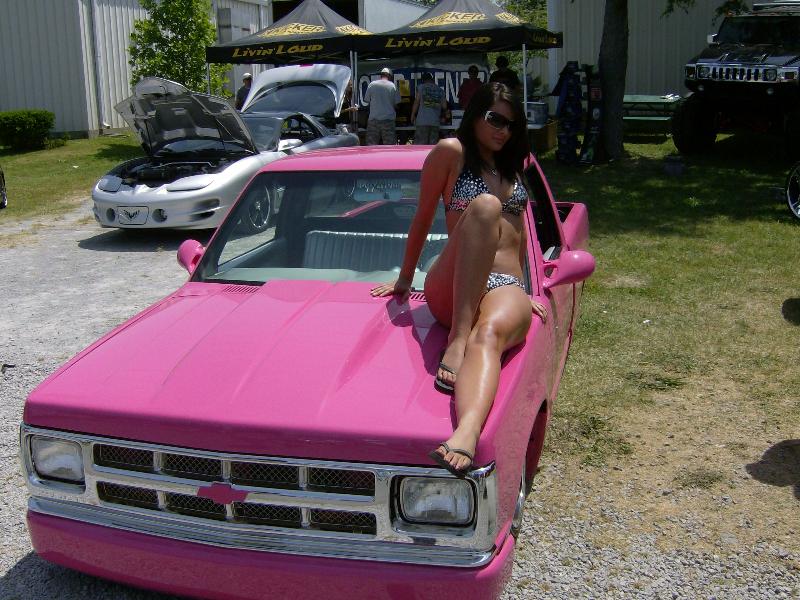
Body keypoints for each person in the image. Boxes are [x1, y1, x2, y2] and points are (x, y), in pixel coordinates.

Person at [370, 83, 547, 476]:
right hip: (453, 283)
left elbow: (519, 236)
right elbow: (422, 216)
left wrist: (529, 290)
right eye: (496, 119)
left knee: (491, 336)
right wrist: (404, 279)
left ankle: (467, 431)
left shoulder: (513, 166)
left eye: (511, 125)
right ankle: (457, 338)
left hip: (504, 284)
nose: (503, 130)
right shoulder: (452, 152)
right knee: (485, 206)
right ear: (475, 114)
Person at [363, 67, 401, 145]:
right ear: (390, 76)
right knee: (389, 147)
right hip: (388, 121)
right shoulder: (393, 86)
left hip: (373, 120)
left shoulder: (372, 84)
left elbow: (366, 100)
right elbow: (397, 104)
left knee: (371, 146)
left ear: (381, 75)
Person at [411, 72, 448, 145]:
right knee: (432, 147)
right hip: (435, 122)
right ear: (432, 79)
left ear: (423, 80)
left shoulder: (421, 87)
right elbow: (444, 106)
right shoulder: (440, 90)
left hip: (422, 121)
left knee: (420, 146)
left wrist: (412, 114)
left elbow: (417, 102)